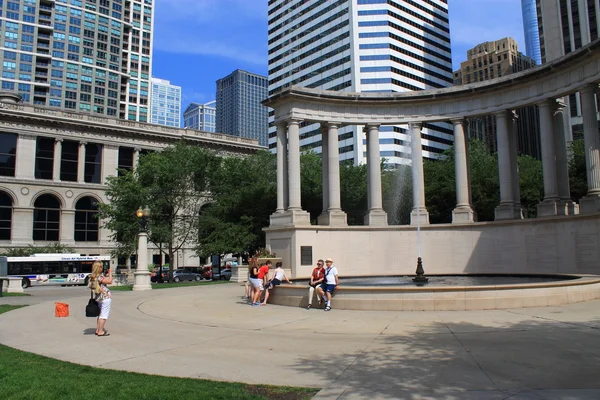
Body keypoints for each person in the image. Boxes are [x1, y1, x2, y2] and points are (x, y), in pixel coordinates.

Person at [89, 261, 112, 336]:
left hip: (98, 297)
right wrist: (110, 273)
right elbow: (109, 281)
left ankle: (98, 329)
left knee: (100, 314)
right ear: (99, 268)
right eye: (101, 266)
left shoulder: (93, 276)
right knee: (104, 315)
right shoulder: (99, 276)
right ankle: (100, 331)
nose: (102, 268)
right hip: (104, 297)